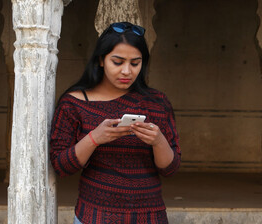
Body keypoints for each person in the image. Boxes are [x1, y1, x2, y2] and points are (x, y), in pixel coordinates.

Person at [50, 22, 181, 224]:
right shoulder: (74, 103)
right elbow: (61, 166)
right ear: (101, 60)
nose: (127, 71)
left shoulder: (157, 103)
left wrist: (158, 141)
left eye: (135, 63)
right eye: (118, 62)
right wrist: (95, 138)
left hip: (149, 217)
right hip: (94, 217)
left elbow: (170, 169)